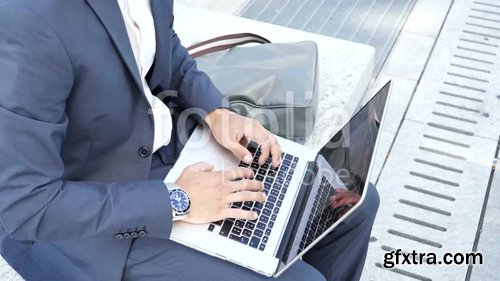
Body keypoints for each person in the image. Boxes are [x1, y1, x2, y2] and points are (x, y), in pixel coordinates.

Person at [0, 0, 379, 280]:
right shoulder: (28, 18)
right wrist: (178, 201)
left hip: (166, 149)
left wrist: (216, 111)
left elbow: (163, 47)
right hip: (88, 222)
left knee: (353, 204)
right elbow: (25, 204)